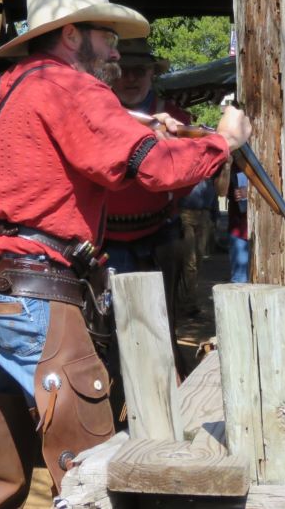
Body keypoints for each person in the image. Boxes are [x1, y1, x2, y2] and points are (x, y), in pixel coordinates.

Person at [0, 0, 251, 509]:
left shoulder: (4, 86)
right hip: (32, 296)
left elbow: (77, 155)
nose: (117, 51)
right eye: (108, 35)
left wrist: (141, 130)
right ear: (72, 34)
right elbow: (156, 169)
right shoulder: (70, 86)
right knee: (94, 473)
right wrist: (223, 140)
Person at [105, 38, 191, 378]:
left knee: (161, 320)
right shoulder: (97, 114)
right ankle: (116, 391)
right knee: (111, 323)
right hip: (106, 241)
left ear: (152, 74)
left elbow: (188, 175)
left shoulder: (177, 119)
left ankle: (164, 386)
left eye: (139, 71)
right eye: (123, 71)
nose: (131, 78)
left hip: (160, 237)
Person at [177, 178, 217, 316]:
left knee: (198, 260)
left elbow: (214, 189)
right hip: (185, 213)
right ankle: (189, 302)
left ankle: (190, 297)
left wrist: (214, 216)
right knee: (190, 262)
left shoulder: (207, 170)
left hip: (204, 214)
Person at [215, 157, 250, 283]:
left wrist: (250, 192)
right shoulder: (230, 162)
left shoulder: (262, 158)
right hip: (239, 230)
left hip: (264, 232)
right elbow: (221, 192)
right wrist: (227, 167)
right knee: (240, 280)